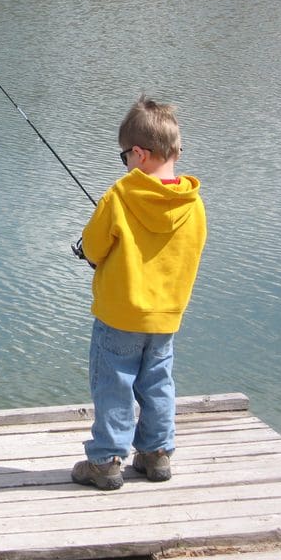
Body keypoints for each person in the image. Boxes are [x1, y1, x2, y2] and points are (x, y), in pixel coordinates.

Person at [71, 96, 206, 491]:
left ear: (140, 154)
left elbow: (93, 248)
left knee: (114, 383)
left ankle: (108, 460)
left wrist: (86, 248)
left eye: (125, 156)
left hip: (120, 315)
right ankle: (157, 453)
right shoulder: (193, 204)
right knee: (158, 381)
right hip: (166, 316)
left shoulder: (120, 195)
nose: (125, 164)